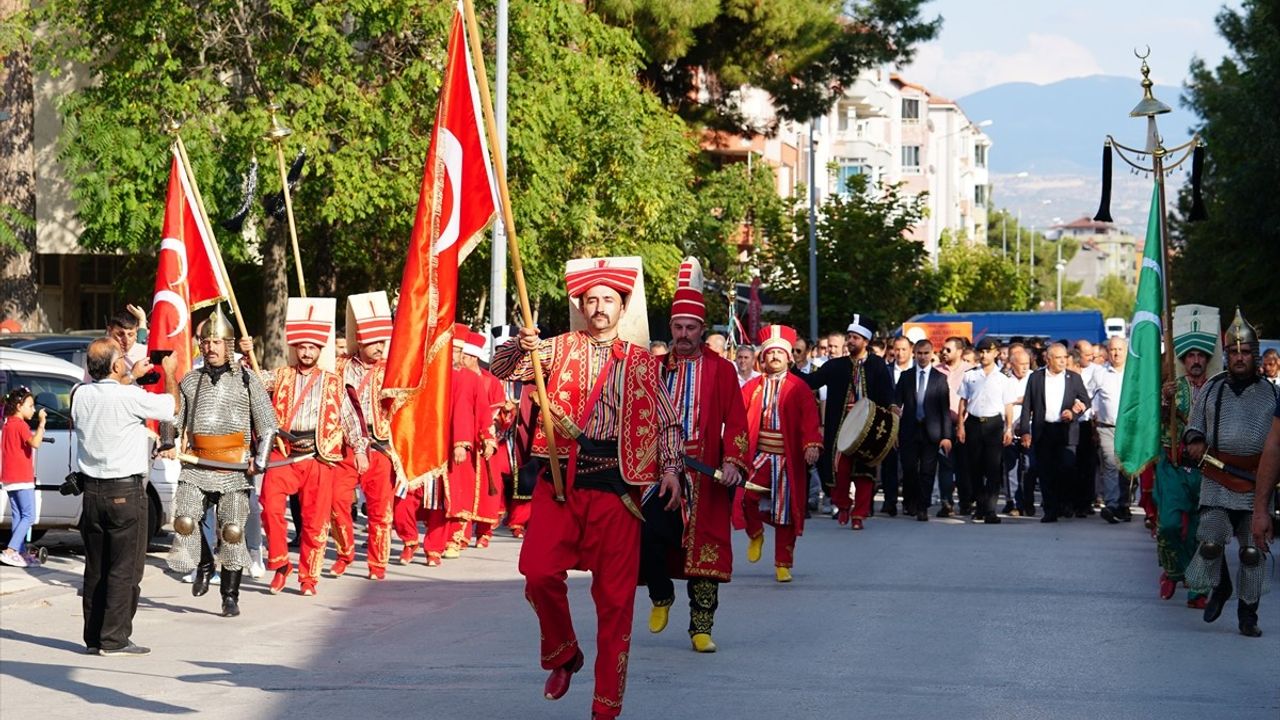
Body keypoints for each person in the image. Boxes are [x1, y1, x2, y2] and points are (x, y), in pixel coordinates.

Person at [490, 259, 683, 720]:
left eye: (608, 300)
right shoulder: (556, 348)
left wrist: (672, 468)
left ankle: (605, 708)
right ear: (580, 305)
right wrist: (522, 344)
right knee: (536, 572)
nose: (599, 307)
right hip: (562, 482)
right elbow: (501, 368)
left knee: (615, 603)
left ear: (622, 306)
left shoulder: (641, 361)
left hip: (619, 489)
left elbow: (667, 419)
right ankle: (563, 653)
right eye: (591, 300)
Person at [641, 257, 749, 653]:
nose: (684, 334)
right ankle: (660, 594)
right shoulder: (652, 368)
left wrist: (733, 461)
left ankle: (701, 628)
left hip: (705, 472)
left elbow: (736, 421)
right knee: (648, 533)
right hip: (657, 469)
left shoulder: (721, 370)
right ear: (670, 328)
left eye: (691, 328)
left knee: (705, 551)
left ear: (703, 330)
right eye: (678, 327)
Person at [166, 309, 276, 617]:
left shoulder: (246, 379)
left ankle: (230, 595)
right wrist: (165, 440)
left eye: (216, 341)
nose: (211, 347)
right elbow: (175, 417)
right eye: (206, 341)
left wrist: (261, 460)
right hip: (197, 463)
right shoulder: (191, 380)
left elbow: (267, 424)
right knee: (184, 520)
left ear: (228, 344)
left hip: (234, 466)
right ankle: (203, 562)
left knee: (231, 531)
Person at [73, 337, 178, 655]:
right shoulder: (128, 396)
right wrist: (169, 372)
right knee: (125, 568)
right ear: (116, 365)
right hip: (124, 491)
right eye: (122, 359)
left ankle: (94, 637)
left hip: (91, 492)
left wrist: (130, 375)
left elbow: (107, 392)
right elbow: (170, 408)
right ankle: (114, 638)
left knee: (96, 567)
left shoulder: (80, 395)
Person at [248, 299, 357, 596]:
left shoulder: (333, 382)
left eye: (312, 348)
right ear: (295, 348)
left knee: (314, 521)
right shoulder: (281, 375)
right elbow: (253, 381)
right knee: (270, 508)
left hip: (318, 455)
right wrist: (245, 355)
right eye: (302, 347)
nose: (307, 352)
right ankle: (281, 564)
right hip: (284, 452)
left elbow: (348, 417)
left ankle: (309, 578)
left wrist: (359, 449)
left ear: (320, 350)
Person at [1182, 309, 1278, 637]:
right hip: (1218, 477)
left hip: (1256, 481)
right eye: (1234, 352)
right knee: (1210, 541)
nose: (1239, 357)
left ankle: (1247, 614)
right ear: (1227, 356)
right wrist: (1194, 439)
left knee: (1252, 552)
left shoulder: (1271, 393)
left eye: (1245, 352)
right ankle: (1220, 587)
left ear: (1255, 354)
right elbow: (1195, 423)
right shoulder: (1213, 388)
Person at [741, 325, 822, 579]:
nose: (775, 357)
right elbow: (736, 417)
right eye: (770, 353)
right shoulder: (752, 386)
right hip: (760, 455)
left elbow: (810, 420)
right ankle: (755, 533)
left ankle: (782, 563)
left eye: (780, 353)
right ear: (763, 357)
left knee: (785, 511)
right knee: (745, 496)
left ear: (789, 357)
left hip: (788, 458)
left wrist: (811, 445)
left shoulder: (799, 388)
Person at [1153, 305, 1220, 608]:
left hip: (1207, 469)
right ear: (1183, 360)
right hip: (1173, 466)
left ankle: (1199, 589)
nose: (1195, 361)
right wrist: (1164, 404)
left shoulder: (1218, 390)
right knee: (1168, 525)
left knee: (1200, 531)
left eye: (1200, 356)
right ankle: (1173, 569)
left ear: (1206, 359)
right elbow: (1151, 422)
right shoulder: (1171, 389)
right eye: (1190, 356)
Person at [800, 314, 894, 528]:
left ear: (866, 341)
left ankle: (859, 515)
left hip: (869, 426)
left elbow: (888, 394)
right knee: (838, 470)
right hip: (841, 425)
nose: (850, 341)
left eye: (855, 338)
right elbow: (812, 382)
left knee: (864, 471)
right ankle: (842, 505)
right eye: (849, 337)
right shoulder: (836, 365)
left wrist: (893, 414)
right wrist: (793, 370)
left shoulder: (877, 365)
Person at [330, 292, 396, 580]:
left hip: (380, 448)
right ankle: (345, 553)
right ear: (359, 339)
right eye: (374, 342)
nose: (380, 347)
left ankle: (377, 564)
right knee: (336, 503)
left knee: (381, 510)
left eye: (383, 341)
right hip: (344, 447)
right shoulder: (338, 366)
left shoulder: (394, 370)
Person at [1019, 343, 1090, 522]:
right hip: (1044, 430)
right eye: (1058, 358)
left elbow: (1085, 400)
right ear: (1048, 359)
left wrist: (1074, 412)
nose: (1063, 361)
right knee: (1046, 471)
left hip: (1066, 430)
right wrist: (1025, 431)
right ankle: (1050, 509)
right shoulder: (1036, 378)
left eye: (1065, 357)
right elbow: (1027, 405)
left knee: (1066, 468)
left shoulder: (1073, 378)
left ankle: (1065, 502)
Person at [957, 337, 1015, 524]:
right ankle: (980, 505)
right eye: (981, 351)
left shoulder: (1003, 378)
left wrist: (1009, 428)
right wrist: (960, 425)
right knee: (974, 467)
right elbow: (963, 402)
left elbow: (1008, 405)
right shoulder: (970, 375)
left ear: (996, 353)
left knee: (993, 468)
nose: (984, 355)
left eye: (988, 351)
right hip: (973, 423)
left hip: (994, 424)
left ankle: (990, 509)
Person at [893, 339, 952, 521]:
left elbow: (945, 410)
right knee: (909, 469)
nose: (923, 357)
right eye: (919, 353)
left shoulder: (939, 378)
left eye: (926, 353)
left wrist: (946, 436)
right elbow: (896, 404)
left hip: (931, 432)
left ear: (932, 354)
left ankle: (923, 506)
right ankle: (910, 502)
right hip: (909, 430)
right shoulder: (906, 376)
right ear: (914, 354)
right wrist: (894, 431)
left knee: (927, 471)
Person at [2, 388, 46, 567]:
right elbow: (35, 443)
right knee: (28, 516)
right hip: (22, 477)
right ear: (19, 406)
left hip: (8, 478)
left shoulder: (7, 423)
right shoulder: (20, 425)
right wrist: (42, 424)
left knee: (18, 516)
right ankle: (11, 550)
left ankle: (18, 553)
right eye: (30, 406)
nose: (33, 410)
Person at [1090, 336, 1130, 523]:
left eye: (1120, 349)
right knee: (1110, 464)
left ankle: (1124, 504)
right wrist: (1090, 411)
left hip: (1129, 428)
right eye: (1113, 349)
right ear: (1107, 352)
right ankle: (1112, 504)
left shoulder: (1133, 373)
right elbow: (1087, 394)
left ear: (1126, 351)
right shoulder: (1100, 373)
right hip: (1106, 427)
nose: (1116, 353)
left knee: (1126, 467)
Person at [936, 336, 973, 515]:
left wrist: (962, 424)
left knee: (964, 466)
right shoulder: (937, 371)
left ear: (959, 352)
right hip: (942, 425)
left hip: (965, 424)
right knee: (945, 464)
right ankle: (946, 503)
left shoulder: (970, 372)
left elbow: (972, 400)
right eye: (943, 349)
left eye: (948, 350)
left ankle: (966, 502)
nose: (944, 352)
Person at [1004, 346, 1034, 516]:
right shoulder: (1004, 379)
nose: (1024, 367)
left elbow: (1035, 402)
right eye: (1021, 364)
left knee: (1030, 467)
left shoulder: (1034, 378)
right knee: (1011, 468)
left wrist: (1016, 400)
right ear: (1011, 364)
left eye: (1027, 364)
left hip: (1029, 430)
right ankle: (1015, 503)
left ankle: (1028, 501)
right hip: (1009, 430)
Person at [106, 305, 150, 371]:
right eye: (120, 334)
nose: (126, 340)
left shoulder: (145, 354)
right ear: (109, 331)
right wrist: (133, 375)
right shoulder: (98, 354)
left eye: (130, 335)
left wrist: (142, 320)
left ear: (136, 333)